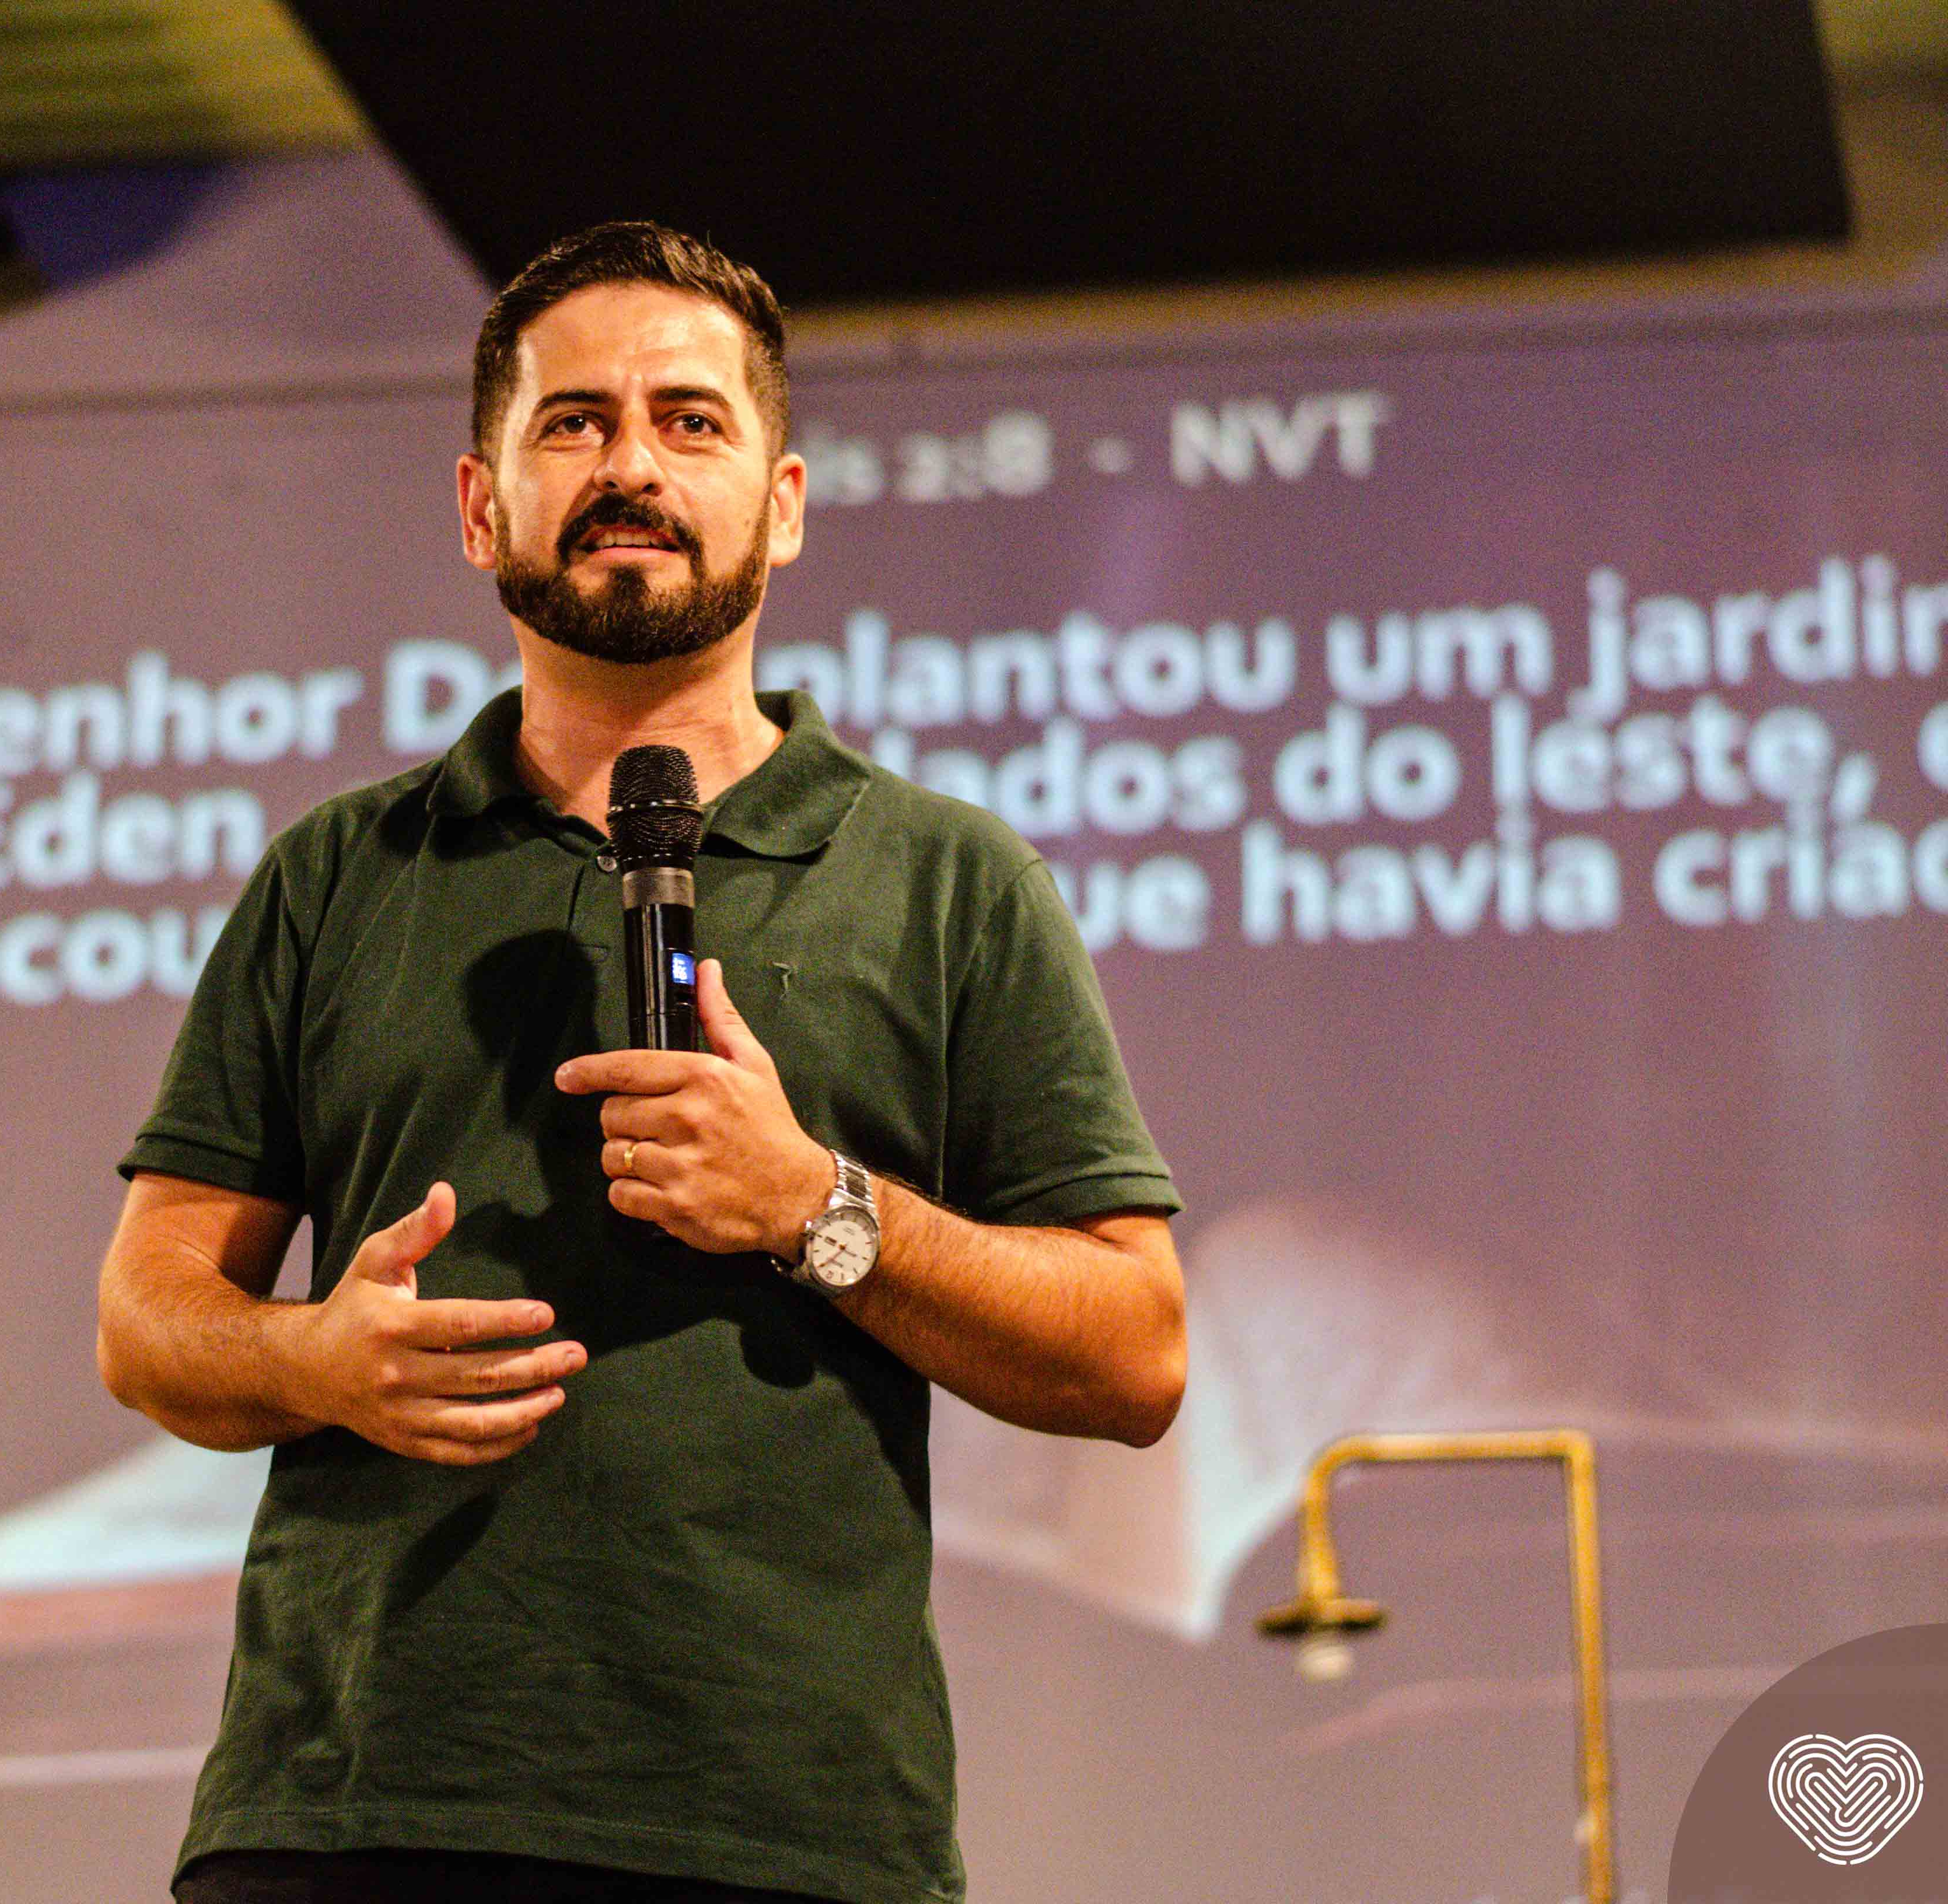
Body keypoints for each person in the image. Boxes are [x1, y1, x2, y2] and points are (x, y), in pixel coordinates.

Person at [95, 222, 1185, 1904]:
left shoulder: (952, 883)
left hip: (787, 1832)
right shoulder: (336, 875)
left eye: (690, 422)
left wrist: (814, 1205)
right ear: (482, 509)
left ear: (784, 502)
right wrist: (312, 1360)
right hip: (357, 1813)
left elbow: (1136, 1350)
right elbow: (148, 1316)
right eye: (574, 422)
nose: (632, 468)